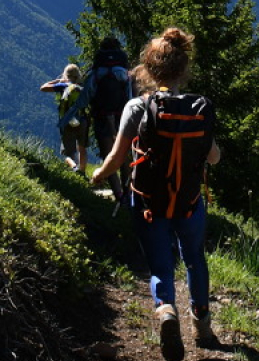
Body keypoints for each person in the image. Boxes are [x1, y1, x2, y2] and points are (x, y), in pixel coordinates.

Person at [91, 27, 221, 360]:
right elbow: (214, 157)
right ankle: (202, 323)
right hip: (189, 201)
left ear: (147, 69)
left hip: (148, 201)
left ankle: (165, 309)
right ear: (184, 69)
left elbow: (117, 157)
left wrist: (98, 175)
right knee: (194, 259)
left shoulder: (137, 106)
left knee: (161, 266)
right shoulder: (198, 108)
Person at [80, 36, 132, 199]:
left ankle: (118, 195)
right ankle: (128, 193)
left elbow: (87, 96)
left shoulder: (97, 72)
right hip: (122, 117)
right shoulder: (124, 73)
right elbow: (131, 96)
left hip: (102, 117)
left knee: (108, 155)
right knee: (124, 156)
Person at [39, 63, 89, 174]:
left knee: (68, 153)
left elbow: (43, 87)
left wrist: (58, 81)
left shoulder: (63, 85)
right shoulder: (83, 87)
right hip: (82, 120)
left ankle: (74, 168)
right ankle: (82, 173)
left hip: (67, 121)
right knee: (82, 149)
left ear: (66, 75)